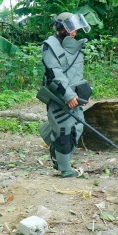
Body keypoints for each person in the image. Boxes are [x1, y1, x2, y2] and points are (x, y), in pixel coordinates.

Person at [40, 12, 92, 178]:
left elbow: (76, 74)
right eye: (70, 29)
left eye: (76, 29)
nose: (74, 32)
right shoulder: (50, 46)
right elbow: (56, 73)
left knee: (77, 127)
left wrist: (83, 93)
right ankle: (65, 169)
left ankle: (57, 150)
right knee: (64, 130)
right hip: (59, 96)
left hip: (74, 97)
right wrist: (69, 95)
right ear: (60, 28)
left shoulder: (74, 47)